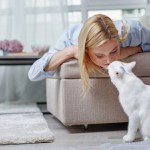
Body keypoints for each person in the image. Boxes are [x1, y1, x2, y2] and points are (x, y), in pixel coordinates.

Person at [28, 14, 150, 91]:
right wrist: (70, 51)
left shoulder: (133, 31)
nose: (109, 61)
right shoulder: (71, 37)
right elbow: (33, 74)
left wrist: (133, 49)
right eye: (99, 55)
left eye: (114, 51)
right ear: (86, 49)